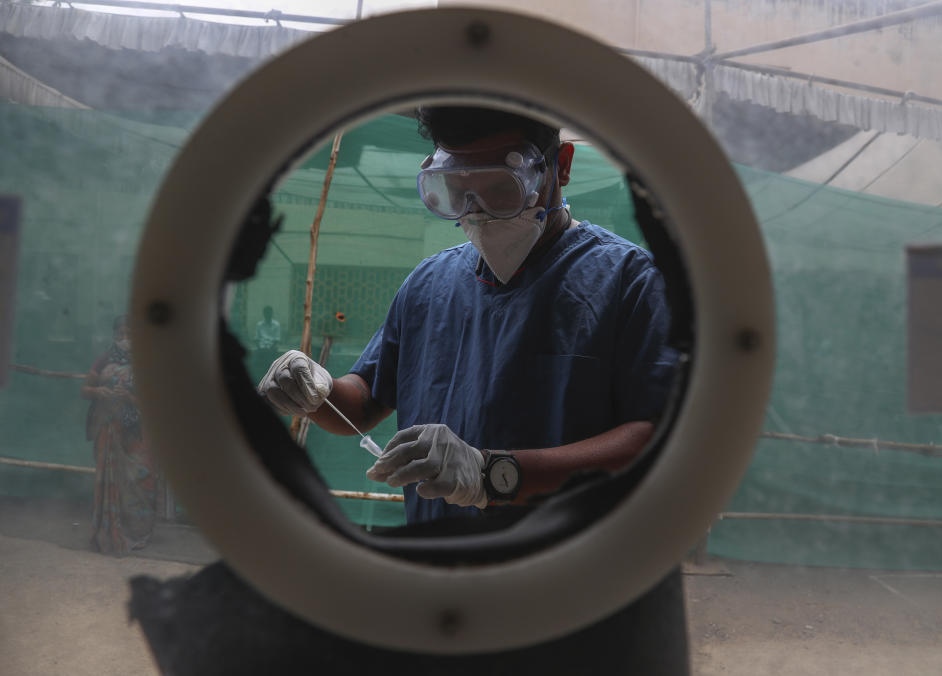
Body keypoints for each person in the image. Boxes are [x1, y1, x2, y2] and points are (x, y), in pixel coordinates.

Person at [259, 106, 676, 524]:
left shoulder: (630, 282)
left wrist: (494, 474)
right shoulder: (428, 285)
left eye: (501, 187)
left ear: (560, 166)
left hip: (567, 569)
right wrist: (316, 390)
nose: (477, 211)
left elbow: (657, 439)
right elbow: (364, 404)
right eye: (459, 189)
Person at [83, 315, 158, 554]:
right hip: (109, 425)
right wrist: (99, 391)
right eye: (120, 334)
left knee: (141, 477)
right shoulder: (104, 359)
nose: (125, 339)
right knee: (113, 479)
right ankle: (112, 529)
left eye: (129, 334)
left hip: (137, 429)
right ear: (114, 335)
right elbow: (85, 389)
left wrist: (128, 397)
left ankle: (138, 531)